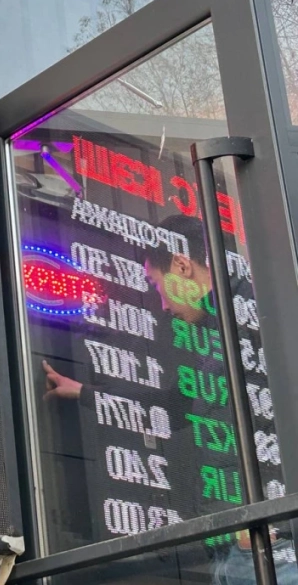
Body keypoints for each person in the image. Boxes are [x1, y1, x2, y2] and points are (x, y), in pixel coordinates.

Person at [43, 214, 296, 585]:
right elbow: (176, 408)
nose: (161, 304)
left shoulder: (262, 318)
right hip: (243, 546)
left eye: (156, 284)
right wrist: (86, 393)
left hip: (270, 548)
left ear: (181, 265)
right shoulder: (221, 334)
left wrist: (276, 528)